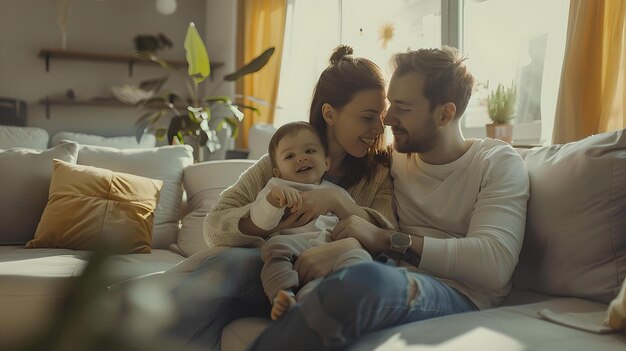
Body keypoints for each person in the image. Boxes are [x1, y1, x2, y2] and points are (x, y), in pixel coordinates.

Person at [249, 46, 530, 350]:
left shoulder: (496, 162)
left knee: (365, 280)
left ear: (445, 113)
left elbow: (494, 263)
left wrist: (384, 239)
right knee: (237, 266)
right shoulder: (392, 162)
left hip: (456, 295)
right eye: (389, 105)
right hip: (388, 274)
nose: (388, 118)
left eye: (403, 107)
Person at [164, 45, 397, 351]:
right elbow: (214, 227)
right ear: (329, 113)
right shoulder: (284, 159)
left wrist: (338, 202)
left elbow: (388, 236)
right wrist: (264, 216)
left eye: (381, 116)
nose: (379, 128)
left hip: (334, 275)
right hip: (273, 273)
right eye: (368, 117)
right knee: (228, 265)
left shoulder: (379, 170)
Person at [253, 121, 373, 321]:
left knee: (358, 257)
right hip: (294, 248)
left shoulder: (337, 193)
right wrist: (273, 200)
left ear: (327, 162)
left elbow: (357, 224)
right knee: (274, 248)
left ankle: (337, 300)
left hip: (333, 246)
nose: (301, 158)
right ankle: (283, 296)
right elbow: (261, 222)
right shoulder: (276, 187)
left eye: (309, 150)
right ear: (277, 172)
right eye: (290, 156)